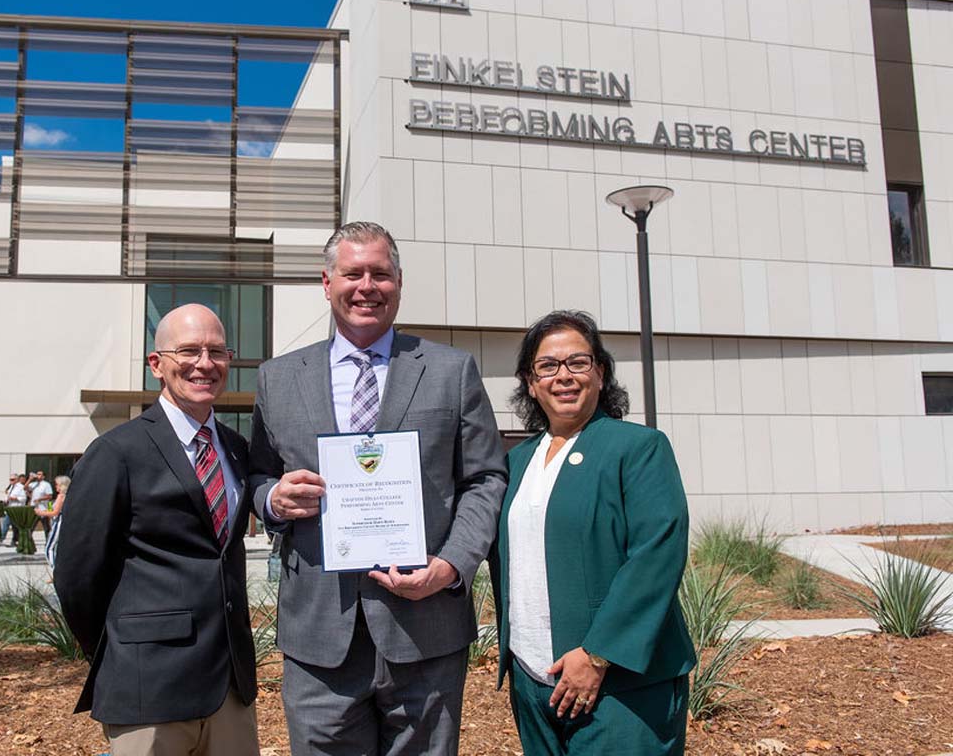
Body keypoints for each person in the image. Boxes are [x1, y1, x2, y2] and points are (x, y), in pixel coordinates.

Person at [249, 221, 507, 755]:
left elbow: (484, 477)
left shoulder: (451, 370)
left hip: (425, 629)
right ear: (326, 283)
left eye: (381, 274)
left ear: (399, 283)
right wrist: (272, 499)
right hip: (320, 634)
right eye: (353, 273)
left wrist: (453, 564)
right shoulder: (277, 377)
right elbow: (256, 475)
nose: (367, 286)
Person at [489, 311, 696, 756]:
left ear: (600, 374)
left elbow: (656, 556)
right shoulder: (515, 463)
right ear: (530, 381)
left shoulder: (638, 448)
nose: (563, 376)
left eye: (578, 363)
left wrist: (598, 654)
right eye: (547, 366)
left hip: (622, 688)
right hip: (532, 680)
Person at [56, 304, 258, 756]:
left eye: (217, 352)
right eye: (188, 350)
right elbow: (77, 578)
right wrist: (128, 650)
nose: (204, 363)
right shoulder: (115, 452)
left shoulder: (238, 449)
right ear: (157, 365)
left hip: (230, 689)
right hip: (149, 690)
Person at [35, 474, 69, 571]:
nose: (56, 487)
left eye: (57, 485)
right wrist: (48, 507)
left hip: (58, 522)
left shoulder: (61, 496)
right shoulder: (65, 496)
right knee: (57, 548)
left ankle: (55, 570)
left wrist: (40, 512)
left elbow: (55, 512)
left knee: (49, 548)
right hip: (59, 521)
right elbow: (52, 510)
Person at [4, 475, 28, 546]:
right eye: (10, 479)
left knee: (17, 526)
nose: (11, 481)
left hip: (17, 509)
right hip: (10, 508)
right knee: (7, 524)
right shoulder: (11, 487)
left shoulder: (20, 487)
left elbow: (50, 498)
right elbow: (7, 496)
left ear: (17, 480)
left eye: (13, 479)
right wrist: (6, 500)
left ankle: (20, 540)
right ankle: (3, 539)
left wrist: (15, 498)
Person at [29, 470, 54, 538]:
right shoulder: (34, 484)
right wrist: (30, 479)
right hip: (34, 508)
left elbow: (50, 496)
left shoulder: (46, 484)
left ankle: (47, 541)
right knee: (31, 526)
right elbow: (25, 488)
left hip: (43, 509)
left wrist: (39, 499)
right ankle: (29, 542)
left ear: (43, 476)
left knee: (46, 527)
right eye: (37, 474)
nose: (38, 475)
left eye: (40, 474)